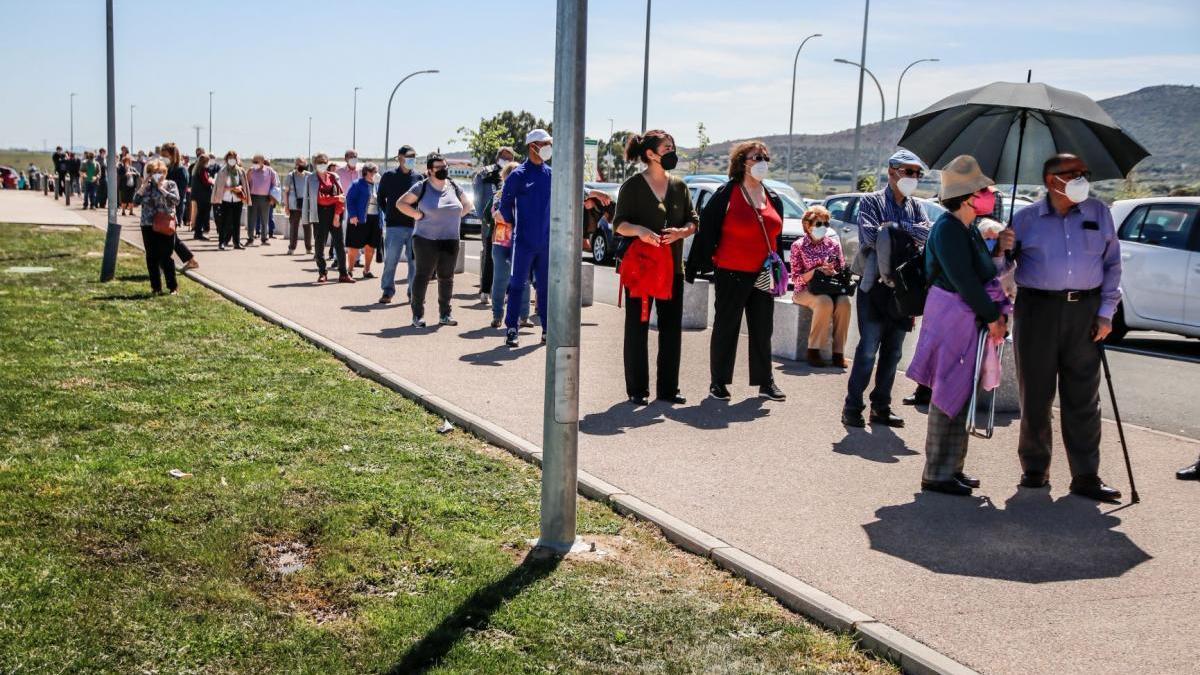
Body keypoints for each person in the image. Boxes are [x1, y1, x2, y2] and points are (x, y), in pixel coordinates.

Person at [1008, 153, 1124, 502]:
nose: (1081, 179)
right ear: (1051, 180)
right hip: (1036, 310)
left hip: (1085, 311)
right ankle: (1034, 468)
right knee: (1036, 395)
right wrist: (1000, 249)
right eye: (1072, 174)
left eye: (1084, 173)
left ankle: (1086, 475)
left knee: (1084, 397)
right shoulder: (1024, 219)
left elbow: (1113, 265)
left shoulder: (1099, 213)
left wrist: (1106, 313)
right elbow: (999, 272)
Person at [907, 155, 1011, 496]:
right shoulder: (950, 229)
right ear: (968, 195)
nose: (989, 196)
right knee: (947, 391)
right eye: (984, 190)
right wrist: (993, 316)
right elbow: (965, 280)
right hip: (953, 316)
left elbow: (982, 273)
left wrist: (1003, 251)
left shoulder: (966, 228)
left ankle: (953, 468)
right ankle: (937, 472)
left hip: (963, 316)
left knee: (961, 390)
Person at [685, 140, 787, 402]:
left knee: (763, 328)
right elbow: (707, 230)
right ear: (743, 162)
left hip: (762, 272)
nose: (762, 161)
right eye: (756, 157)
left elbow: (776, 236)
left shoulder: (773, 197)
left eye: (765, 156)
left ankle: (766, 381)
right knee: (726, 327)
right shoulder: (727, 193)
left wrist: (779, 268)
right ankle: (718, 382)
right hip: (731, 271)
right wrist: (695, 265)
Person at [841, 149, 933, 428]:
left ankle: (881, 406)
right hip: (874, 285)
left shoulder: (917, 206)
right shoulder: (871, 201)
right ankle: (853, 407)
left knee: (893, 352)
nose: (913, 177)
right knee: (868, 348)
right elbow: (870, 236)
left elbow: (928, 233)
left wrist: (890, 229)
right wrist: (904, 231)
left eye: (917, 173)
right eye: (909, 171)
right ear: (891, 171)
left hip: (904, 290)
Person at [613, 130, 697, 406]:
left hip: (673, 269)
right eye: (666, 147)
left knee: (672, 329)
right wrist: (639, 230)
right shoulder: (633, 186)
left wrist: (682, 233)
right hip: (641, 270)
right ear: (650, 154)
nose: (672, 151)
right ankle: (637, 389)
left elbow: (694, 220)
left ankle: (668, 389)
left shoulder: (680, 186)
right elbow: (619, 225)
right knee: (637, 328)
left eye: (673, 146)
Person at [397, 154, 473, 327]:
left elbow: (467, 204)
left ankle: (445, 314)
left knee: (447, 277)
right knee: (423, 276)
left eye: (444, 166)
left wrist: (455, 217)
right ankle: (417, 315)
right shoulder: (421, 187)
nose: (443, 169)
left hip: (450, 239)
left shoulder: (453, 186)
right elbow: (401, 204)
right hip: (426, 239)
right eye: (438, 167)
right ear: (430, 171)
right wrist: (417, 214)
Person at [789, 204, 852, 368]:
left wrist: (834, 271)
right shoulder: (798, 246)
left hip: (830, 286)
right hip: (805, 290)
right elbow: (795, 279)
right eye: (819, 224)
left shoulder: (834, 244)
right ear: (807, 226)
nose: (823, 227)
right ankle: (814, 351)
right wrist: (816, 271)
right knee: (824, 302)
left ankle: (838, 353)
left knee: (845, 302)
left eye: (826, 224)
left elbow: (841, 268)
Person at [486, 162, 531, 328]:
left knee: (523, 280)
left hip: (522, 242)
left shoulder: (528, 194)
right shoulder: (500, 194)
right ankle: (497, 315)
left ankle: (524, 316)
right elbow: (497, 215)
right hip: (502, 242)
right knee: (500, 279)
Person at [377, 146, 423, 304]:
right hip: (393, 227)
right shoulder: (389, 176)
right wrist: (389, 213)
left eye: (414, 156)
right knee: (390, 260)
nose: (412, 159)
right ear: (400, 158)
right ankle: (387, 291)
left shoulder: (419, 177)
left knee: (414, 262)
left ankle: (413, 293)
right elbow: (380, 198)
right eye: (409, 156)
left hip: (414, 226)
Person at [473, 146, 516, 305]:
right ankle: (486, 289)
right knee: (490, 255)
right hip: (492, 222)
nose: (507, 160)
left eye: (510, 158)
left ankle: (500, 290)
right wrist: (482, 218)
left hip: (508, 226)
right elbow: (478, 196)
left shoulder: (515, 174)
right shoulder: (486, 173)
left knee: (505, 258)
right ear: (498, 157)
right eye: (505, 157)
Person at [132, 159, 180, 295]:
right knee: (151, 257)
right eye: (154, 172)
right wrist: (142, 186)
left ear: (165, 172)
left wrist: (162, 189)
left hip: (165, 224)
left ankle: (172, 287)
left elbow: (176, 200)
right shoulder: (146, 187)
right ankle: (156, 287)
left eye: (160, 172)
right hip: (148, 224)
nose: (157, 175)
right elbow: (135, 202)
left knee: (166, 256)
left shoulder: (170, 184)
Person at [303, 153, 350, 283]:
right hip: (319, 215)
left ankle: (343, 274)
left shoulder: (334, 177)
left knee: (339, 244)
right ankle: (322, 272)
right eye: (318, 162)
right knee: (319, 245)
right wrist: (335, 198)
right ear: (314, 164)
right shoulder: (310, 179)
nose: (322, 164)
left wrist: (337, 215)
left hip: (335, 213)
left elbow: (342, 197)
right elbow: (320, 200)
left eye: (324, 162)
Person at [345, 162, 382, 280]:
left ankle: (367, 270)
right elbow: (350, 200)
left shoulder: (377, 185)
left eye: (377, 171)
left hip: (375, 218)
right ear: (367, 173)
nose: (376, 174)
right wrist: (353, 215)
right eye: (374, 172)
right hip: (360, 218)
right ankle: (349, 271)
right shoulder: (357, 184)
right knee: (354, 246)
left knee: (371, 246)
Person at [212, 150, 249, 250]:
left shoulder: (240, 171)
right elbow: (220, 187)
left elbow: (243, 184)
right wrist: (232, 189)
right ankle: (222, 242)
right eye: (230, 158)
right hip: (226, 199)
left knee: (236, 222)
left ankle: (236, 242)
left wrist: (240, 188)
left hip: (237, 199)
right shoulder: (222, 171)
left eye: (234, 158)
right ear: (227, 159)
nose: (232, 160)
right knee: (224, 222)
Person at [245, 154, 277, 246]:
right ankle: (250, 239)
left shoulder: (270, 171)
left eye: (256, 162)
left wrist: (272, 198)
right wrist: (248, 174)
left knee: (265, 219)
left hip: (266, 198)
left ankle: (264, 239)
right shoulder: (251, 170)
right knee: (251, 218)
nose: (254, 163)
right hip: (253, 197)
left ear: (262, 162)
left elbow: (274, 184)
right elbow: (246, 183)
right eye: (253, 161)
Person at [283, 158, 311, 254]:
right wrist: (286, 206)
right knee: (293, 227)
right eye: (298, 164)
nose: (300, 166)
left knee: (307, 227)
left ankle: (309, 248)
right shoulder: (290, 176)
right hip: (293, 206)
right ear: (295, 165)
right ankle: (291, 248)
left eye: (302, 164)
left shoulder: (309, 176)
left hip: (306, 206)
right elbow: (285, 192)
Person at [188, 154, 213, 240]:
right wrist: (212, 181)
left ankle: (197, 233)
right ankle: (198, 233)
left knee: (200, 214)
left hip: (198, 195)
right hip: (203, 196)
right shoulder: (202, 170)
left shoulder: (196, 169)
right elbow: (206, 182)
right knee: (202, 215)